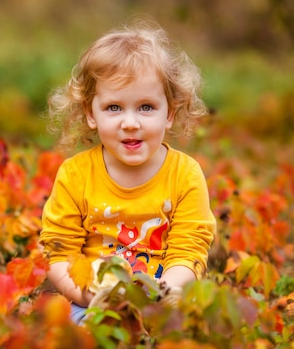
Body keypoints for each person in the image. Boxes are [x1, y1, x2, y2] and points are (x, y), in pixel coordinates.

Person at [39, 21, 217, 324]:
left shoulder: (185, 175)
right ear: (90, 113)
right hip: (89, 299)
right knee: (67, 327)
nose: (131, 122)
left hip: (163, 299)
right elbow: (59, 252)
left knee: (200, 324)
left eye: (146, 107)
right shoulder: (76, 175)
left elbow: (189, 250)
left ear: (170, 112)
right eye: (114, 108)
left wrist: (166, 291)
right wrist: (87, 296)